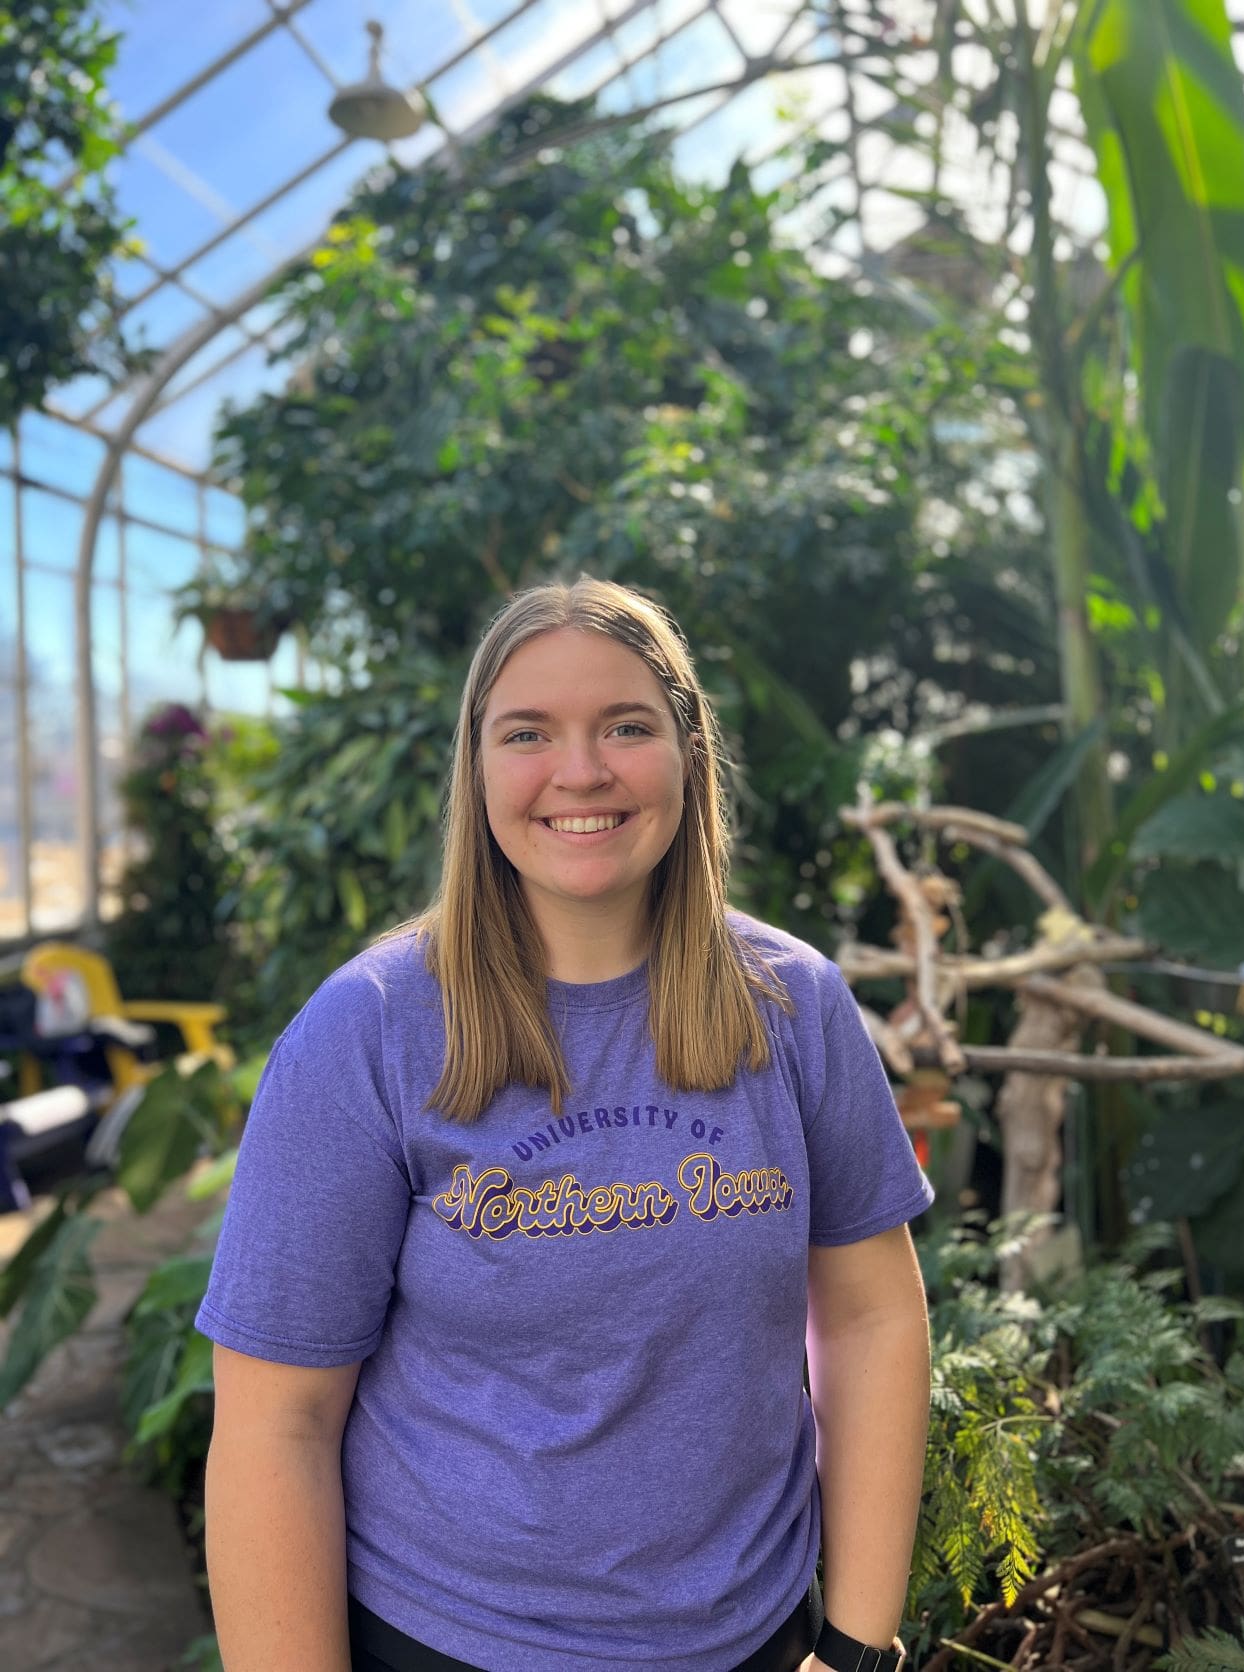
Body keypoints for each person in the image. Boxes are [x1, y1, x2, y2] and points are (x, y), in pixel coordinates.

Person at [196, 576, 934, 1672]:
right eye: (528, 731)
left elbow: (871, 1319)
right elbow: (274, 1426)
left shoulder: (793, 1005)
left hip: (758, 1639)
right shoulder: (373, 1030)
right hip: (454, 1641)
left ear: (687, 750)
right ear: (478, 765)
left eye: (626, 727)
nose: (579, 771)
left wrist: (858, 1648)